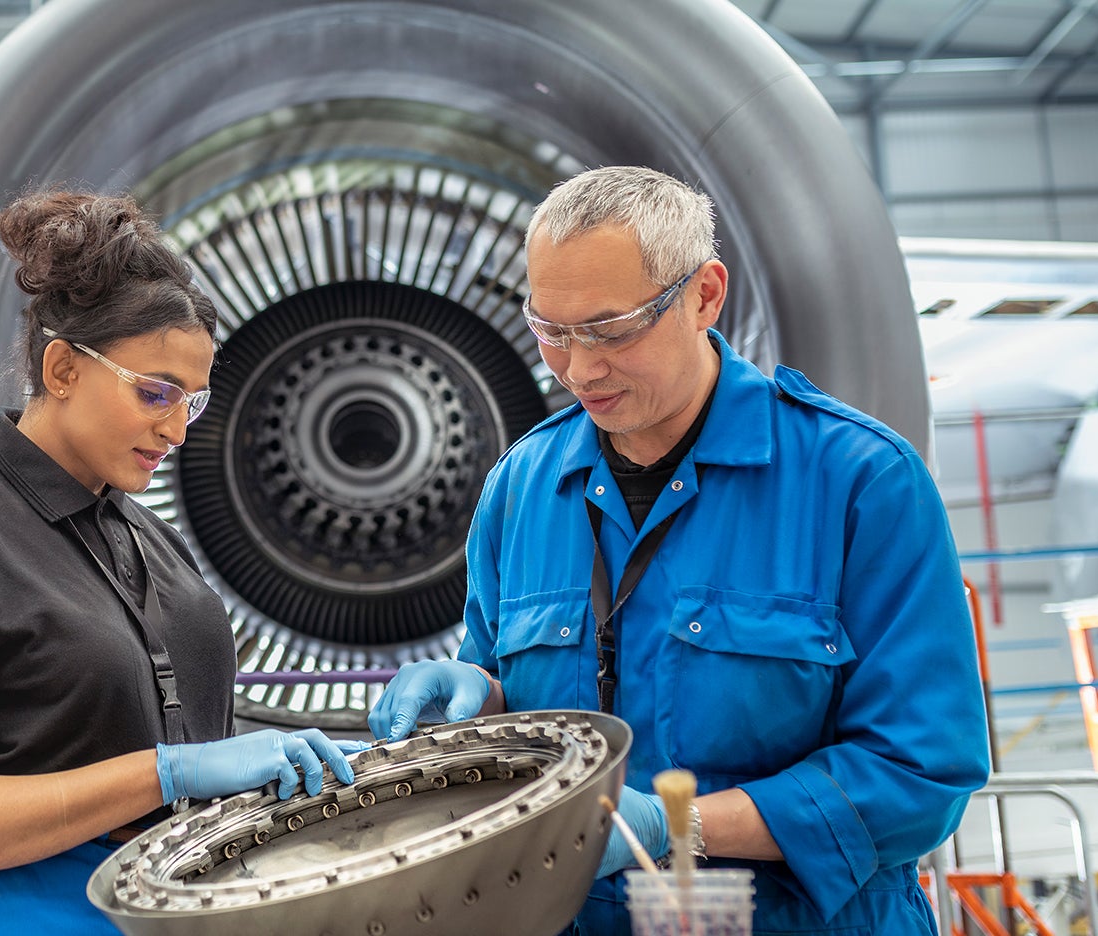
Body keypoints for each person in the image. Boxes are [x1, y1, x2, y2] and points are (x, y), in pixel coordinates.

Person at [369, 166, 990, 934]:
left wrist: (678, 823)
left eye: (610, 330)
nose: (578, 368)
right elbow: (513, 708)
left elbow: (918, 772)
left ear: (704, 294)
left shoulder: (859, 482)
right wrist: (473, 697)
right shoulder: (522, 488)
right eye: (551, 331)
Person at [0, 190, 366, 935]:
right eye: (156, 393)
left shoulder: (153, 544)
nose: (176, 429)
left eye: (191, 403)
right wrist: (166, 774)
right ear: (62, 367)